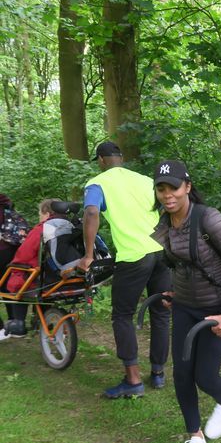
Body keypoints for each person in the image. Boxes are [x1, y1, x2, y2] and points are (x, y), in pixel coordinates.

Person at [152, 160, 221, 443]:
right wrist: (173, 293)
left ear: (188, 187)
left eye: (174, 187)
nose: (168, 195)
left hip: (216, 309)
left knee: (205, 377)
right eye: (161, 188)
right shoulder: (165, 224)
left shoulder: (208, 219)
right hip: (183, 306)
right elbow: (179, 266)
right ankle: (195, 437)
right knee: (181, 375)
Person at [78, 141, 171, 398]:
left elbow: (92, 211)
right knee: (161, 313)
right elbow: (166, 205)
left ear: (101, 160)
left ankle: (133, 381)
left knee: (122, 315)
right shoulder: (144, 180)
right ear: (121, 157)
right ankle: (158, 373)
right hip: (162, 251)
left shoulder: (97, 183)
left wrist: (88, 255)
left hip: (133, 256)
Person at [0, 199, 60, 339]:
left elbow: (24, 254)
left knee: (17, 280)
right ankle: (43, 319)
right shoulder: (71, 227)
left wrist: (14, 264)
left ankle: (19, 323)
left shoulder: (41, 229)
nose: (40, 216)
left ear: (46, 213)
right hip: (62, 277)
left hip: (40, 278)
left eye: (40, 213)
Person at [0, 194, 22, 340]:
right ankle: (14, 322)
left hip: (2, 251)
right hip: (13, 254)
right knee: (9, 287)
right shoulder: (14, 214)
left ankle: (1, 329)